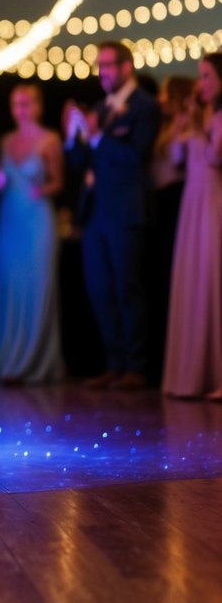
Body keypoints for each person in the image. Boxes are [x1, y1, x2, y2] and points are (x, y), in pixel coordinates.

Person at [65, 41, 159, 390]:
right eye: (99, 66)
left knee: (127, 286)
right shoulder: (102, 108)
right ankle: (114, 362)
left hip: (125, 209)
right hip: (96, 211)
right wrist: (73, 137)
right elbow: (81, 162)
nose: (102, 72)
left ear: (126, 66)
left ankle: (136, 366)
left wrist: (97, 136)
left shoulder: (144, 107)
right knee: (99, 288)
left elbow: (137, 156)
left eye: (107, 65)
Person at [0, 84, 64, 385]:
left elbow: (59, 182)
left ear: (39, 106)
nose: (21, 109)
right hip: (9, 220)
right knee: (8, 288)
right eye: (16, 104)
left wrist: (41, 188)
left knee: (36, 289)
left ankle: (34, 363)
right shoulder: (5, 141)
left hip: (36, 220)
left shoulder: (50, 139)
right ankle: (8, 360)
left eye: (27, 103)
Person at [162, 56, 222, 399]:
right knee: (193, 277)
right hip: (192, 201)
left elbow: (216, 157)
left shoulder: (217, 117)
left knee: (212, 276)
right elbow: (175, 158)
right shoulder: (198, 115)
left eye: (208, 76)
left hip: (214, 201)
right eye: (200, 77)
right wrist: (183, 125)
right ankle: (190, 372)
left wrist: (199, 124)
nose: (202, 83)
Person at [146, 76, 193, 382]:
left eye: (165, 94)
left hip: (176, 200)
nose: (160, 100)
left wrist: (179, 123)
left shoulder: (184, 124)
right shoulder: (163, 127)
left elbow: (176, 159)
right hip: (160, 201)